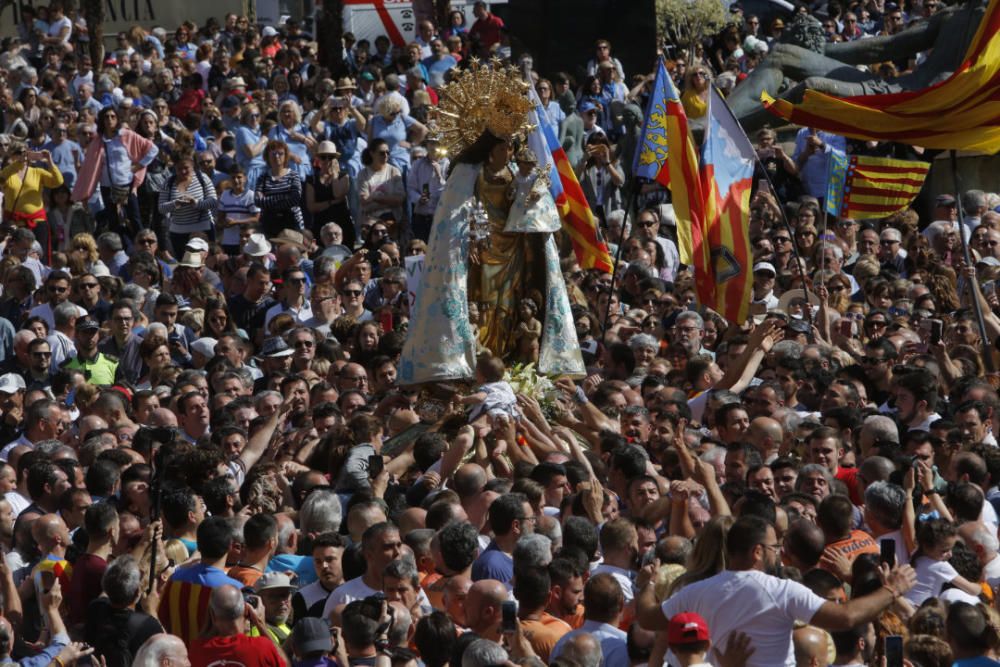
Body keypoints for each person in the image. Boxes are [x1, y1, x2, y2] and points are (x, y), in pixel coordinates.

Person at [72, 106, 158, 238]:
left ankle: (144, 245)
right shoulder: (98, 140)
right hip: (107, 186)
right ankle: (121, 250)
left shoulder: (126, 135)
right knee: (114, 223)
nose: (109, 120)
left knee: (135, 219)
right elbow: (90, 166)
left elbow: (152, 149)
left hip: (126, 184)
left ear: (117, 119)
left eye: (113, 116)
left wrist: (139, 165)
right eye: (106, 117)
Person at [1, 144, 63, 262]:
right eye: (19, 152)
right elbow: (1, 180)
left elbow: (58, 181)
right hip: (15, 224)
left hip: (37, 222)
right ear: (12, 155)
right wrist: (16, 164)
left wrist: (49, 160)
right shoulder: (8, 172)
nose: (23, 155)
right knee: (14, 257)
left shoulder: (37, 172)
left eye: (25, 152)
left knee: (39, 255)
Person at [159, 155, 218, 256]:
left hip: (203, 230)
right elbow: (161, 208)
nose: (182, 172)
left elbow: (213, 202)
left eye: (186, 168)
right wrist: (176, 203)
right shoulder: (168, 182)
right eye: (179, 169)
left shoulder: (202, 178)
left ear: (193, 166)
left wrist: (196, 203)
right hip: (178, 233)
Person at [255, 140, 304, 236]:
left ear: (286, 156)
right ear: (267, 156)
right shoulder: (262, 177)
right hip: (269, 222)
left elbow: (295, 199)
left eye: (280, 153)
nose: (277, 156)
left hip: (292, 220)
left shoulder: (293, 176)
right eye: (273, 154)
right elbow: (258, 201)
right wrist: (284, 198)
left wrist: (269, 202)